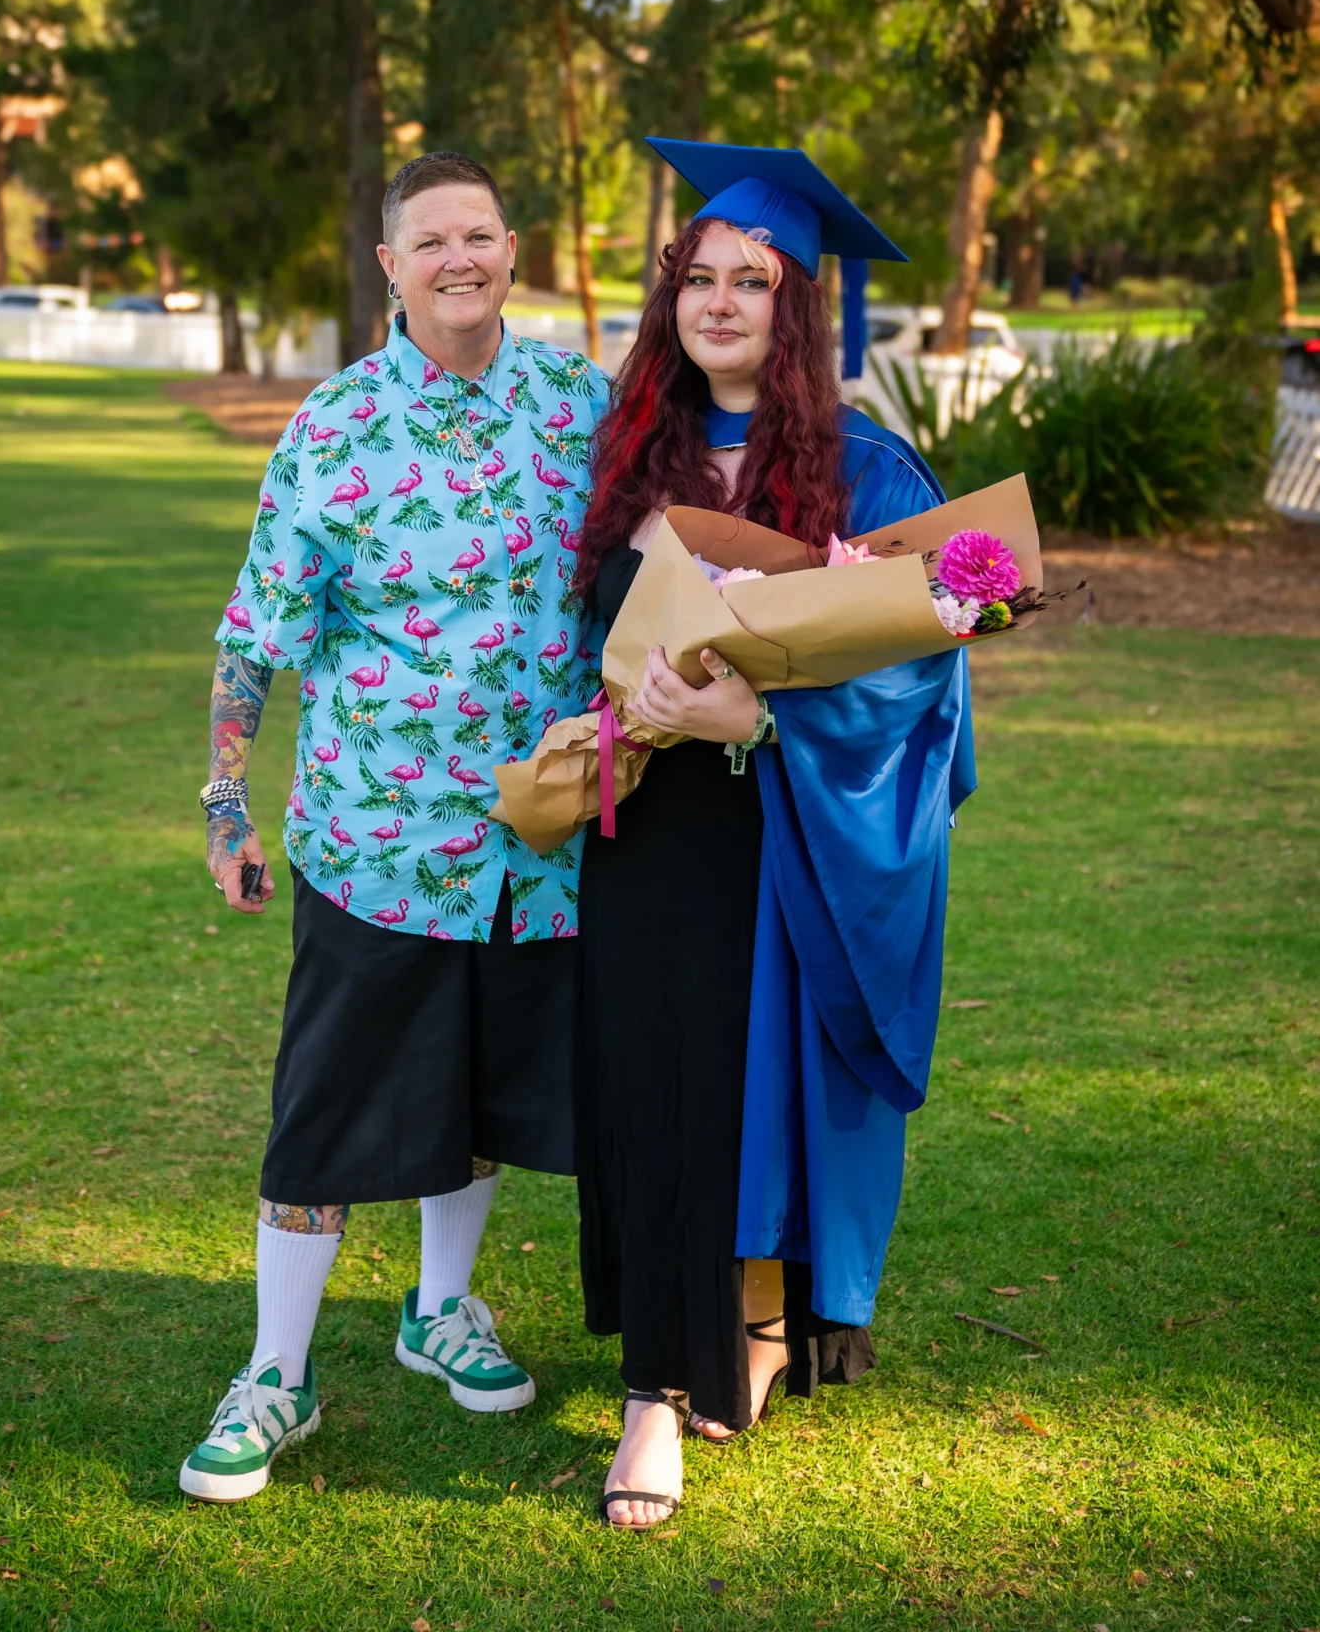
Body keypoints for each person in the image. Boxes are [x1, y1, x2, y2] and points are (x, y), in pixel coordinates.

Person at [179, 151, 608, 1503]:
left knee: (476, 1098)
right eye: (431, 242)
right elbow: (258, 633)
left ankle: (440, 1313)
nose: (458, 259)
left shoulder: (579, 405)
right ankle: (276, 1376)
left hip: (536, 855)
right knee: (324, 1121)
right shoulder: (336, 428)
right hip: (378, 848)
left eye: (478, 235)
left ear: (513, 248)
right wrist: (222, 802)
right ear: (390, 267)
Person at [573, 140, 975, 1529]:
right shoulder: (634, 452)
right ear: (669, 294)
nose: (723, 300)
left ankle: (715, 1345)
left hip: (779, 837)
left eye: (756, 280)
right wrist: (633, 693)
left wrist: (762, 720)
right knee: (659, 1096)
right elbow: (587, 636)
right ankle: (655, 1389)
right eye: (701, 275)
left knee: (741, 1099)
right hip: (646, 831)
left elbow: (920, 673)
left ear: (796, 311)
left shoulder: (865, 470)